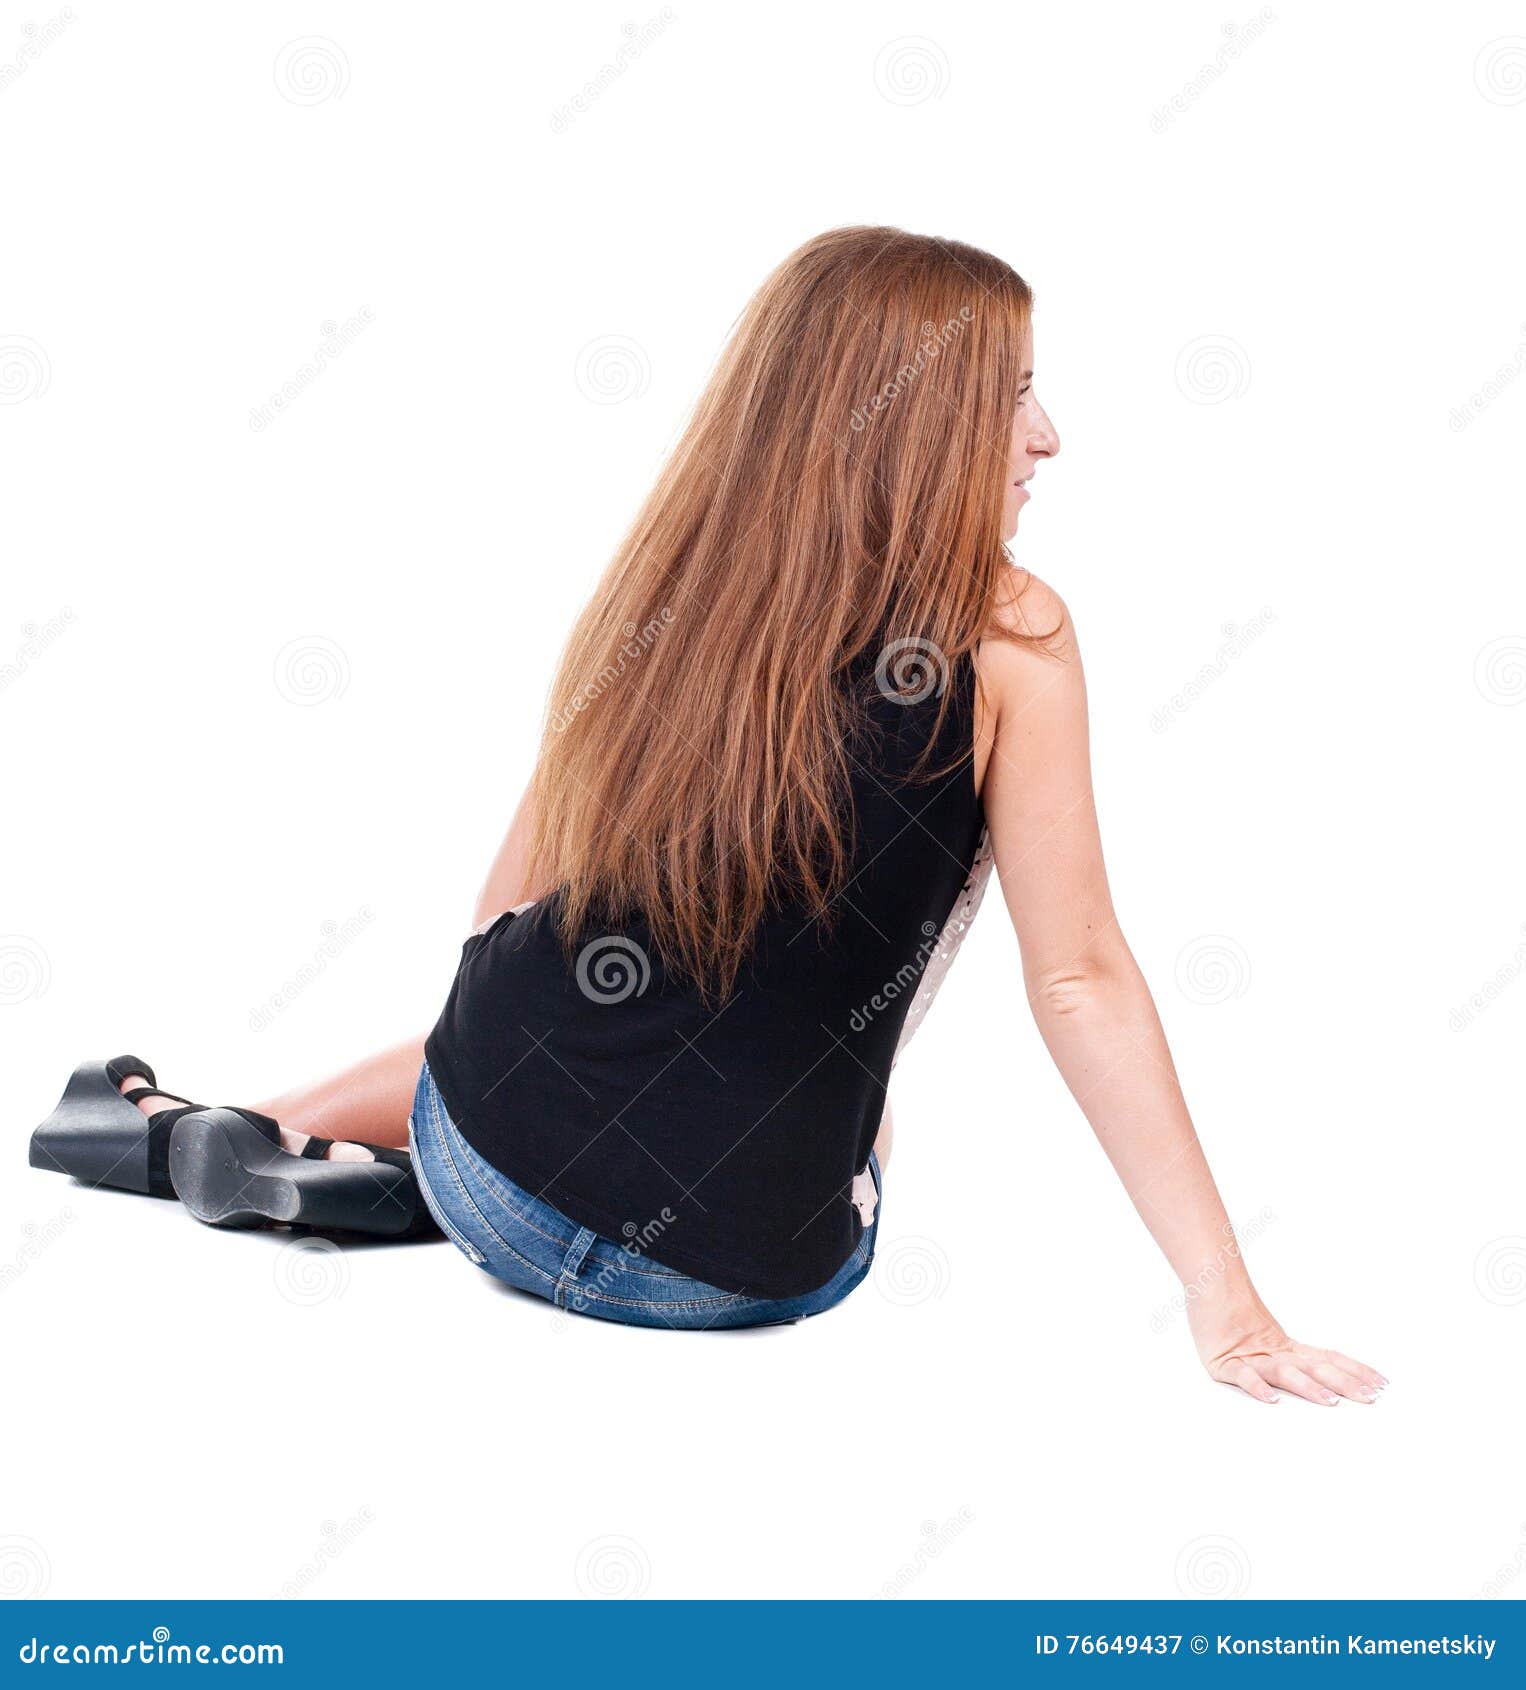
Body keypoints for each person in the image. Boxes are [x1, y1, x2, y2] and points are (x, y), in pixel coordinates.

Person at [31, 227, 1385, 1401]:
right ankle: (335, 1157)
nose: (1047, 436)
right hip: (724, 1276)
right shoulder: (1012, 636)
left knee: (556, 1006)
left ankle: (250, 1127)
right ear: (910, 421)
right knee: (860, 1121)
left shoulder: (673, 586)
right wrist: (1226, 1301)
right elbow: (1079, 977)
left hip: (489, 1148)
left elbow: (503, 918)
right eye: (1012, 397)